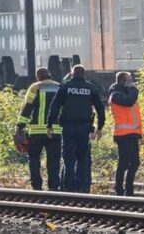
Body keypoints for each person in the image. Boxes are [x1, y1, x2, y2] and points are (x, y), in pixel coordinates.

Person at [46, 64, 104, 193]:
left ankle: (69, 187)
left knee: (68, 158)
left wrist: (49, 124)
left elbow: (55, 106)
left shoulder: (65, 87)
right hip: (84, 128)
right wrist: (99, 128)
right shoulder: (90, 88)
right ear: (84, 74)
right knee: (82, 158)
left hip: (68, 127)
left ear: (72, 74)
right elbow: (100, 109)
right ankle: (81, 187)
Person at [17, 67, 62, 190]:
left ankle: (37, 186)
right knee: (54, 160)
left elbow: (27, 108)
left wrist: (20, 126)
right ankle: (54, 187)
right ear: (49, 74)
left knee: (34, 158)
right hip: (55, 131)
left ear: (38, 77)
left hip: (37, 132)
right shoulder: (59, 87)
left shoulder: (35, 87)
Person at [108, 71, 141, 196]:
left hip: (132, 133)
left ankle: (129, 189)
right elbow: (128, 101)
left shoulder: (126, 93)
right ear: (122, 81)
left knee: (135, 162)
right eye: (129, 80)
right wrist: (133, 89)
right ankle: (119, 189)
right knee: (123, 163)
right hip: (123, 134)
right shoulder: (115, 94)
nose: (131, 82)